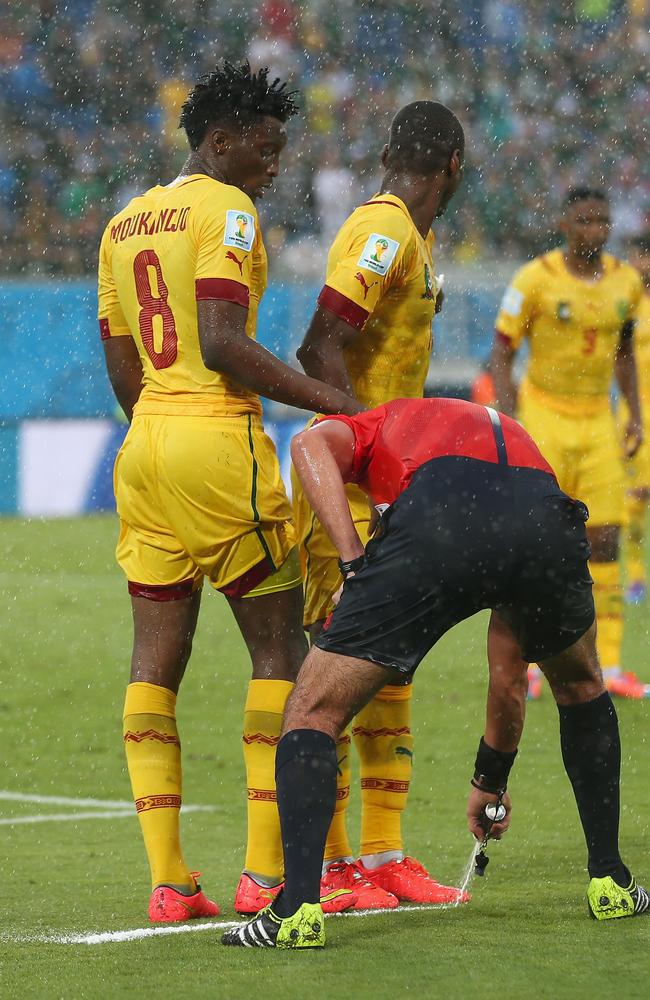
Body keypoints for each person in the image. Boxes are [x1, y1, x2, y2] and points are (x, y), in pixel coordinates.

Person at [223, 396, 649, 949]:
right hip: (543, 515)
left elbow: (308, 448)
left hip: (443, 511)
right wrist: (490, 781)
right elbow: (508, 675)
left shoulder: (373, 424)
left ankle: (296, 912)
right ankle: (610, 881)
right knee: (581, 685)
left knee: (315, 708)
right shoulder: (500, 434)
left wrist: (353, 561)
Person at [98, 62, 362, 923]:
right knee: (279, 652)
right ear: (220, 141)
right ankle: (260, 874)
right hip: (215, 437)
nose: (275, 164)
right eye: (266, 146)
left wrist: (163, 439)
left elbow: (123, 367)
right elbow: (219, 342)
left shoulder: (124, 220)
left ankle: (169, 882)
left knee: (153, 664)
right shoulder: (228, 209)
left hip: (144, 450)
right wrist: (335, 403)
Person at [288, 100, 466, 909]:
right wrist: (366, 444)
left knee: (389, 669)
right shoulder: (385, 230)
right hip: (351, 483)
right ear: (453, 167)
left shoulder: (415, 239)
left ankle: (386, 853)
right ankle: (327, 870)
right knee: (333, 666)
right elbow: (320, 341)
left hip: (389, 483)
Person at [490, 187, 648, 700]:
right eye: (584, 221)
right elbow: (503, 348)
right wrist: (510, 419)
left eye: (602, 222)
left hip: (597, 422)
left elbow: (624, 350)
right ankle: (538, 660)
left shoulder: (626, 282)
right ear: (564, 223)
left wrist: (636, 415)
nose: (595, 231)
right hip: (545, 418)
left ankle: (610, 664)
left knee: (604, 541)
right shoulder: (536, 279)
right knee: (544, 542)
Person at [620, 235, 650, 605]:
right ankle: (637, 578)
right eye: (636, 257)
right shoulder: (626, 304)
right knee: (633, 500)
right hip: (634, 413)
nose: (640, 264)